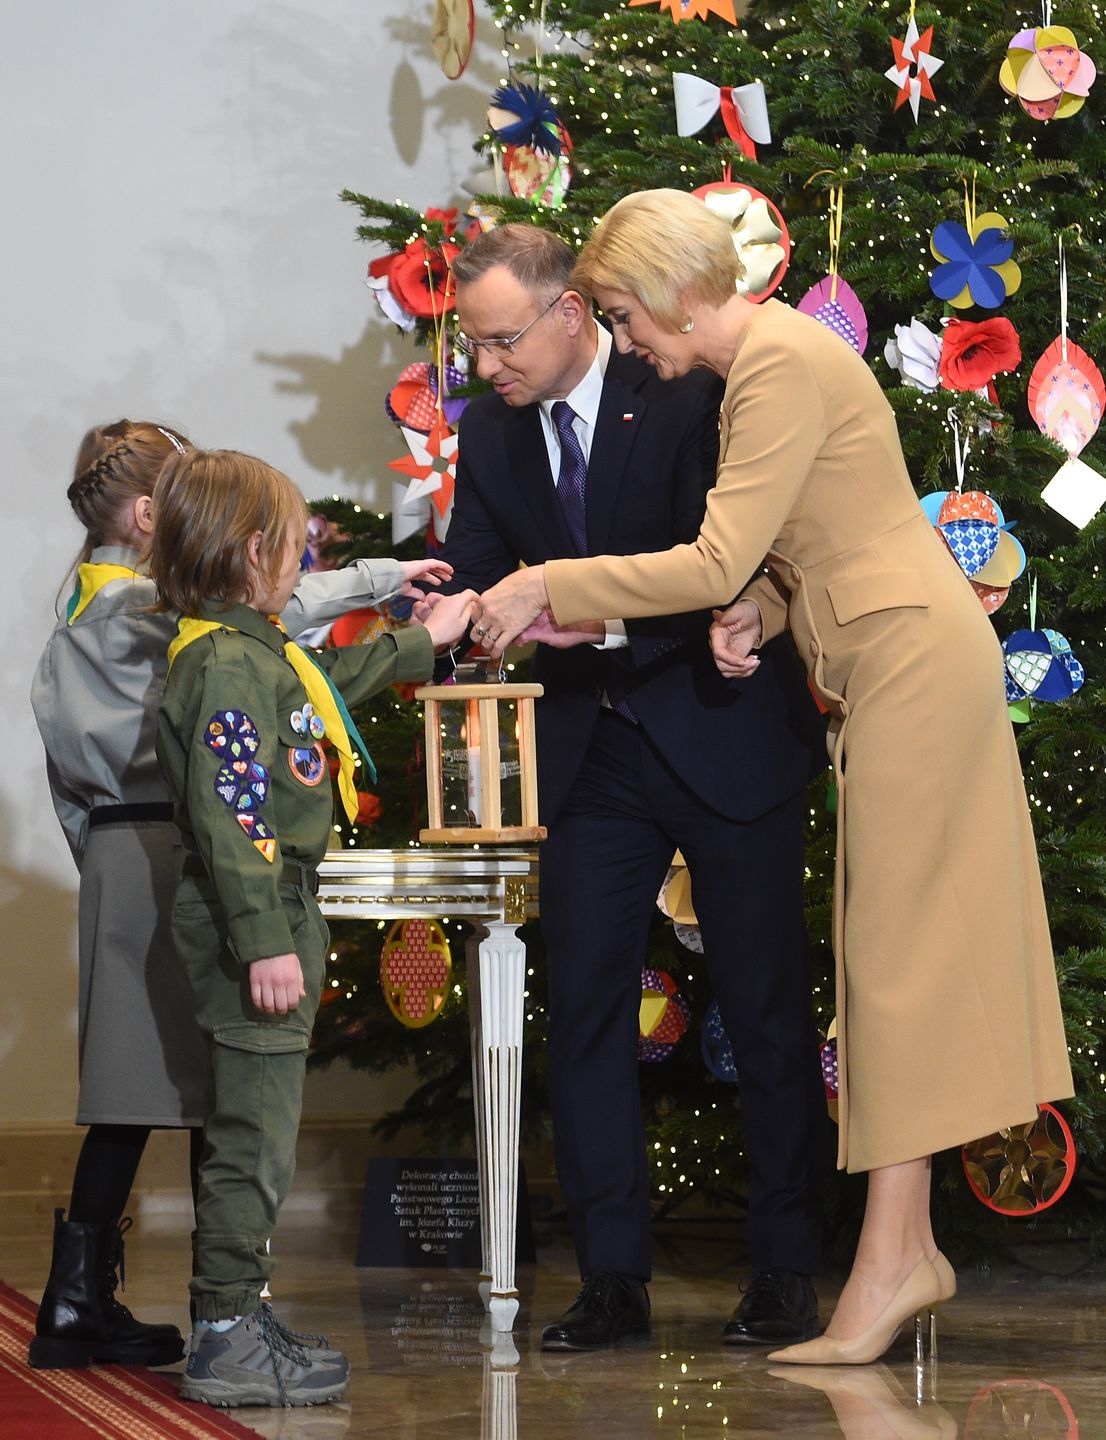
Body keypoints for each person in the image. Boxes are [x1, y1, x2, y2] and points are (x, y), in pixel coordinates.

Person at [471, 190, 1074, 1366]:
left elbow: (712, 553)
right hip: (883, 657)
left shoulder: (777, 364)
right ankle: (897, 1253)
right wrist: (762, 608)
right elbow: (815, 538)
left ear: (664, 296)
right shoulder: (774, 362)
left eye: (621, 316)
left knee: (893, 963)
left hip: (907, 664)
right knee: (881, 958)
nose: (627, 341)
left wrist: (548, 584)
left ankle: (894, 1259)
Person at [419, 224, 829, 1351]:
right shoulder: (494, 433)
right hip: (589, 752)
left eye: (501, 341)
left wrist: (564, 594)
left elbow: (733, 557)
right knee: (587, 1011)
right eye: (472, 345)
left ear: (569, 316)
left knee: (764, 1009)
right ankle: (611, 1279)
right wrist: (450, 609)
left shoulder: (688, 390)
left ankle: (786, 1269)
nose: (487, 365)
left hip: (720, 720)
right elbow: (477, 562)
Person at [29, 418, 455, 1372]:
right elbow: (278, 627)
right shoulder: (159, 617)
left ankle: (94, 1296)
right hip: (181, 845)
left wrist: (91, 857)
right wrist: (388, 582)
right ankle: (205, 1311)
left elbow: (64, 779)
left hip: (117, 847)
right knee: (206, 1083)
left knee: (154, 1086)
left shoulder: (74, 622)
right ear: (154, 516)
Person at [149, 446, 475, 1406]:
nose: (305, 564)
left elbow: (330, 682)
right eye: (297, 549)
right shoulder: (221, 665)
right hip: (255, 910)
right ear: (256, 554)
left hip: (277, 904)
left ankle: (238, 1314)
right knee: (256, 1136)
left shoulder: (254, 650)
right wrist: (263, 942)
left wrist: (434, 642)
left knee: (266, 1130)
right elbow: (233, 813)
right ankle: (222, 1335)